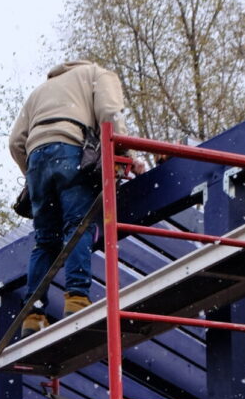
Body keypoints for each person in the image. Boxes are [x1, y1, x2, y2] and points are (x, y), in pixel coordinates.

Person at [9, 59, 144, 333]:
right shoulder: (97, 74)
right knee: (78, 225)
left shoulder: (39, 92)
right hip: (70, 149)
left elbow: (15, 142)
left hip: (36, 160)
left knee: (45, 241)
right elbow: (109, 114)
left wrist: (33, 173)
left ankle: (33, 315)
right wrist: (127, 154)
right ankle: (77, 297)